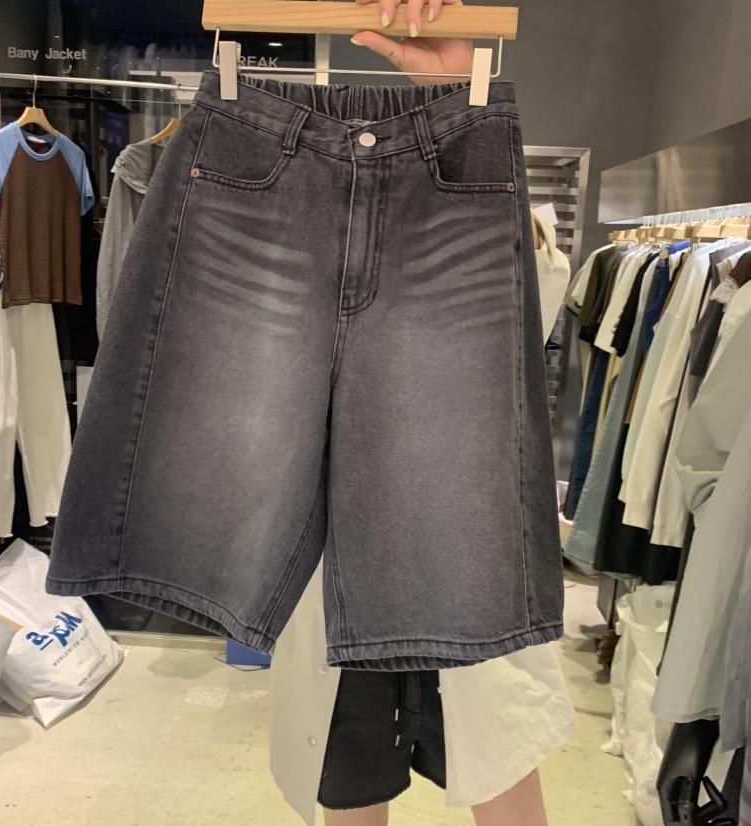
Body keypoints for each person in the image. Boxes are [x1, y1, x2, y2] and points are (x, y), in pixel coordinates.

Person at [269, 4, 577, 824]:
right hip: (336, 555)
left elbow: (517, 314)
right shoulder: (309, 225)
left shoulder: (506, 233)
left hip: (463, 545)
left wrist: (455, 97)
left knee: (495, 757)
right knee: (350, 771)